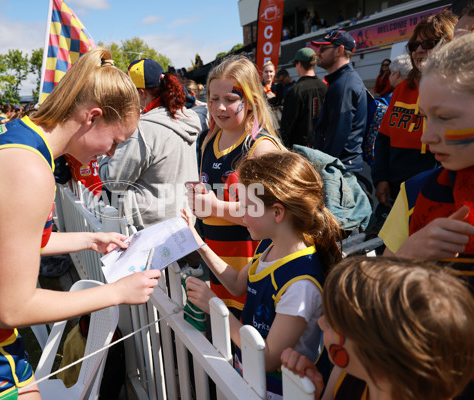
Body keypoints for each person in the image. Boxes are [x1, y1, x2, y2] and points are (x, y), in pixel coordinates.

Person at [0, 48, 161, 400]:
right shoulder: (29, 171)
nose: (110, 154)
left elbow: (6, 240)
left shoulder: (13, 134)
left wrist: (89, 239)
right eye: (114, 142)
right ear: (92, 117)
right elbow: (14, 308)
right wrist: (117, 293)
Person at [184, 152, 342, 398]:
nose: (241, 213)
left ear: (278, 213)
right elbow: (237, 284)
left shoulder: (301, 283)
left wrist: (215, 306)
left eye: (247, 206)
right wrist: (199, 244)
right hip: (253, 381)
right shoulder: (269, 245)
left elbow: (268, 357)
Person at [281, 257, 474, 400]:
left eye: (333, 323)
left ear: (377, 361)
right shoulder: (350, 379)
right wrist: (309, 393)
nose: (320, 322)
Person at [187, 54, 282, 316]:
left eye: (230, 99)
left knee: (249, 348)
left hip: (251, 275)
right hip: (218, 270)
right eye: (214, 98)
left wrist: (215, 206)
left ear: (250, 101)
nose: (219, 108)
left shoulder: (260, 148)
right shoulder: (208, 141)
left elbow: (274, 217)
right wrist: (201, 205)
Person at [379, 33, 474, 280]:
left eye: (443, 117)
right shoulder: (414, 192)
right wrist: (406, 255)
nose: (426, 137)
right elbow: (375, 290)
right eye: (424, 117)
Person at [99, 58, 201, 228]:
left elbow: (114, 182)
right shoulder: (186, 116)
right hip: (185, 222)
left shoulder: (144, 129)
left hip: (153, 232)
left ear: (141, 93)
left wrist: (104, 154)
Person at [372, 13, 457, 210]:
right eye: (413, 46)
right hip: (396, 194)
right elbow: (384, 139)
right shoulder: (403, 88)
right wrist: (381, 178)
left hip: (437, 194)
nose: (419, 50)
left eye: (428, 44)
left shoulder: (461, 92)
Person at [311, 30, 368, 173]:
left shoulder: (344, 84)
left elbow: (338, 133)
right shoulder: (342, 81)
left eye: (323, 49)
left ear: (339, 50)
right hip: (341, 166)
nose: (318, 53)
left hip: (340, 169)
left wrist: (322, 168)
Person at [280, 47, 327, 147]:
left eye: (295, 64)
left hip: (300, 150)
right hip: (322, 146)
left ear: (299, 64)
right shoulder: (324, 87)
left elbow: (287, 126)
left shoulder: (295, 90)